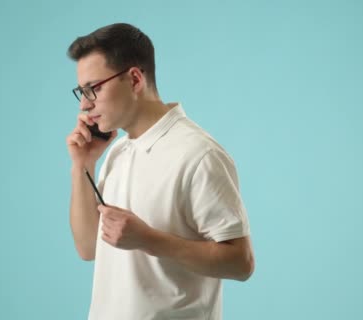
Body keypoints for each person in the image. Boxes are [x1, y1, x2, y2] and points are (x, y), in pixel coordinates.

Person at [65, 23, 255, 320]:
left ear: (135, 79)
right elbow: (89, 248)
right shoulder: (118, 151)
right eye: (82, 91)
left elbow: (240, 263)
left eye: (94, 88)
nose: (86, 105)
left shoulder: (199, 154)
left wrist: (149, 239)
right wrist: (82, 165)